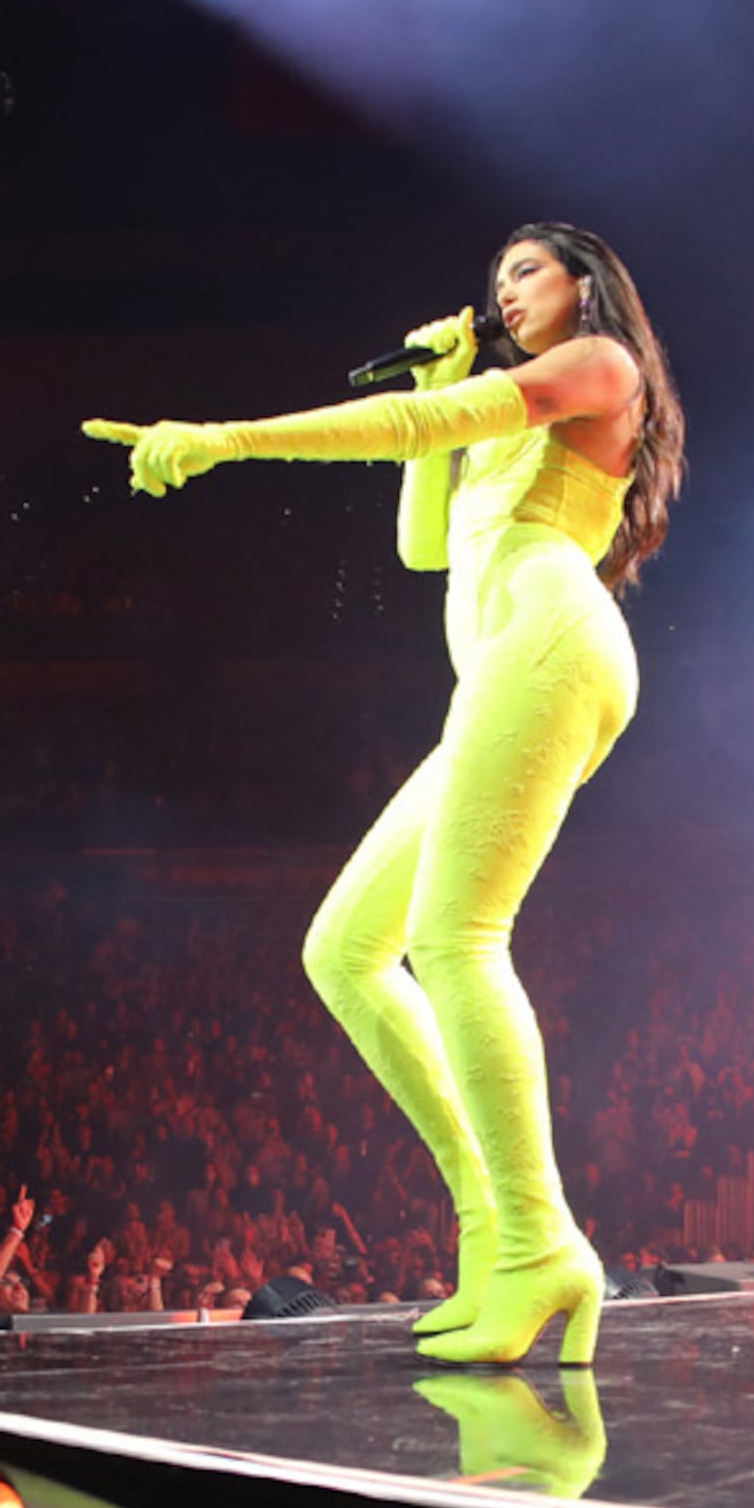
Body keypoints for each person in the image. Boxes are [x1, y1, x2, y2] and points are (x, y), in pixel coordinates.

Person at [86, 221, 684, 1365]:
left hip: (552, 638)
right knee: (347, 950)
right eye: (497, 277)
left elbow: (419, 429)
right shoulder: (505, 405)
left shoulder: (604, 366)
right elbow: (422, 543)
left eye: (527, 270)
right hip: (505, 659)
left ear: (588, 283)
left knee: (459, 939)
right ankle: (492, 1229)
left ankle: (543, 1244)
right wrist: (433, 384)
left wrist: (226, 439)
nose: (506, 291)